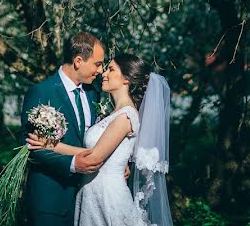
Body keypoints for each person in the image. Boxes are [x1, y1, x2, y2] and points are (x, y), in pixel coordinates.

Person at [27, 53, 173, 226]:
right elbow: (100, 152)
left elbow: (94, 157)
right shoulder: (113, 114)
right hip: (91, 193)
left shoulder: (126, 116)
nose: (104, 73)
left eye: (111, 69)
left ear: (126, 79)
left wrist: (51, 145)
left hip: (108, 197)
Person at [21, 32, 105, 226]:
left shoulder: (94, 93)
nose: (100, 71)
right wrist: (73, 164)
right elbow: (32, 149)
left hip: (88, 197)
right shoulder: (42, 92)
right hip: (51, 200)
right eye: (97, 64)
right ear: (78, 61)